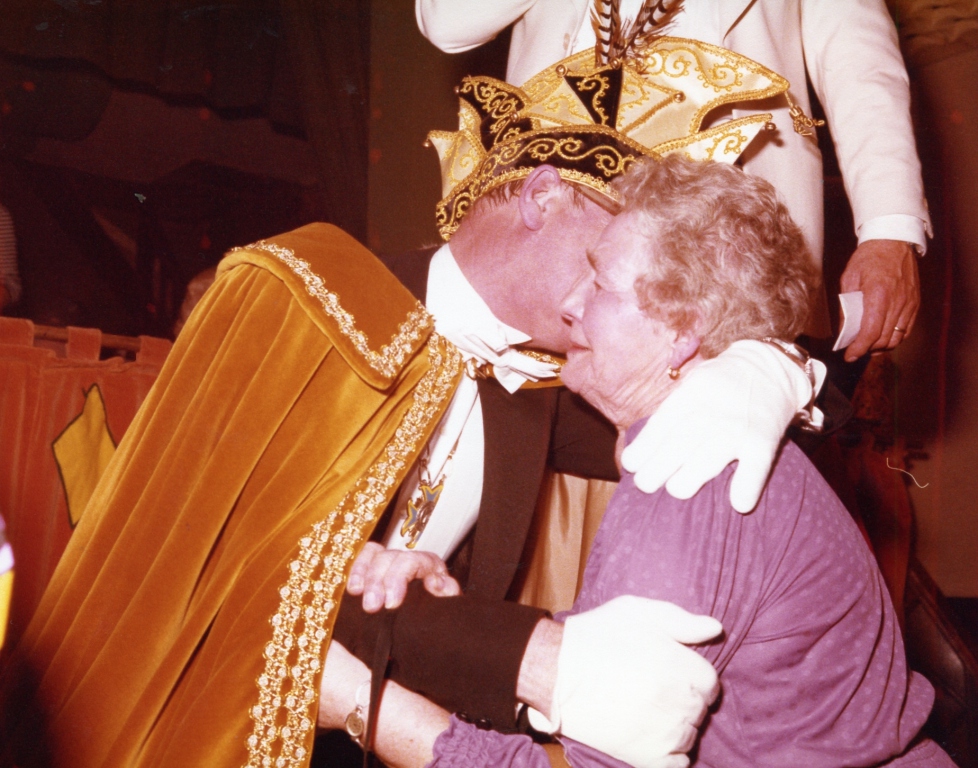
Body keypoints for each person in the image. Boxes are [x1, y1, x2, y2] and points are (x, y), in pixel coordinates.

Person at [0, 39, 816, 768]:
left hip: (384, 736)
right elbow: (233, 567)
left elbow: (754, 441)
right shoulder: (300, 289)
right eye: (612, 249)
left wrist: (765, 365)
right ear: (542, 197)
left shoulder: (548, 385)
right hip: (201, 724)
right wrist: (536, 660)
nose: (618, 284)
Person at [317, 155, 956, 768]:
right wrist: (443, 612)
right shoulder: (713, 447)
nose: (571, 304)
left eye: (600, 282)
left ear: (683, 333)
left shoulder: (689, 468)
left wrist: (359, 705)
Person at [416, 0, 931, 361]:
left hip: (727, 240)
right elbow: (445, 20)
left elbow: (858, 60)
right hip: (543, 237)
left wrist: (890, 229)